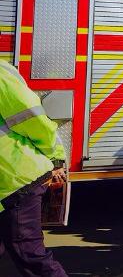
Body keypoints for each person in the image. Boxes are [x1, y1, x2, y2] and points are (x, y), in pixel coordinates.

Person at [0, 59, 68, 277]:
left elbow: (32, 119)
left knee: (29, 254)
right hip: (9, 179)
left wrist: (55, 157)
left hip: (16, 178)